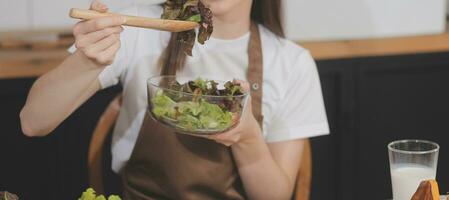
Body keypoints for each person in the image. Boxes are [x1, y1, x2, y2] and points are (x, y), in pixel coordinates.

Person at [20, 0, 329, 199]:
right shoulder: (140, 27)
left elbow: (274, 196)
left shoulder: (291, 63)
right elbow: (33, 122)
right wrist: (88, 60)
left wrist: (247, 139)